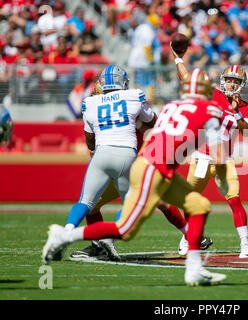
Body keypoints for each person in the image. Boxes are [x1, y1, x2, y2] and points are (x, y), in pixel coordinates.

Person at [42, 68, 227, 286]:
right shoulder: (208, 109)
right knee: (125, 228)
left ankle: (194, 268)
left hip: (138, 161)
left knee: (198, 205)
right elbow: (219, 156)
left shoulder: (171, 106)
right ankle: (64, 236)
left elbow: (98, 140)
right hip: (146, 165)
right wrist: (222, 179)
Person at [68, 80, 212, 261]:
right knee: (156, 200)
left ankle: (102, 243)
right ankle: (99, 244)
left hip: (136, 162)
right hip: (130, 162)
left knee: (150, 200)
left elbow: (154, 125)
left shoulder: (110, 108)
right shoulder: (124, 105)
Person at [58, 64, 156, 260]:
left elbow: (89, 141)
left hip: (101, 154)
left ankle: (65, 233)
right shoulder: (133, 96)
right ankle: (108, 239)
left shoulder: (90, 103)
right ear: (123, 82)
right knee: (130, 203)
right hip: (127, 154)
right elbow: (152, 120)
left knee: (85, 202)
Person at [171, 45, 248, 258]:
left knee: (234, 199)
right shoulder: (214, 95)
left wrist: (237, 113)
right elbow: (189, 80)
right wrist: (178, 60)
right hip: (200, 157)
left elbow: (247, 130)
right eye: (229, 80)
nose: (231, 84)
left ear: (241, 85)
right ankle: (187, 237)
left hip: (224, 160)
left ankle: (245, 244)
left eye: (235, 82)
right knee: (189, 199)